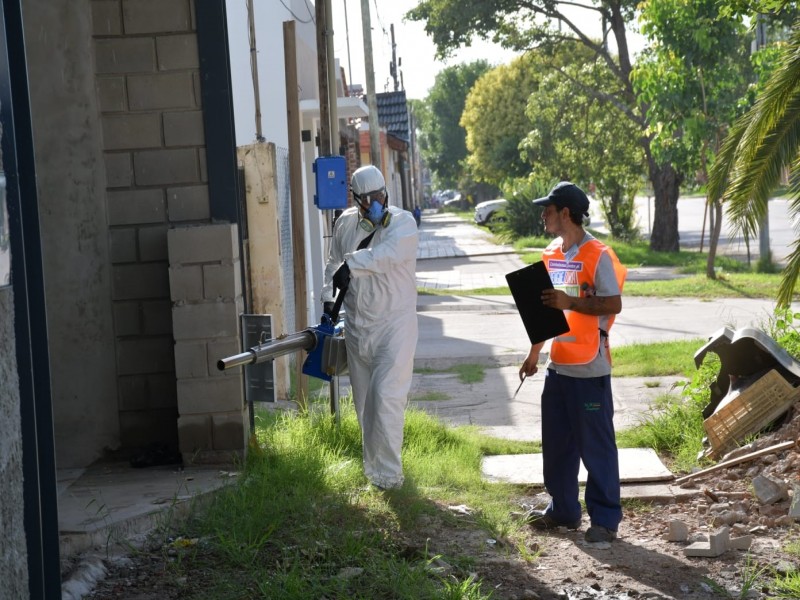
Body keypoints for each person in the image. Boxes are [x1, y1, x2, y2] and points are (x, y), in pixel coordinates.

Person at [519, 181, 627, 543]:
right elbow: (545, 309)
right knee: (558, 446)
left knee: (596, 446)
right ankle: (563, 510)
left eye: (547, 210)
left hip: (590, 367)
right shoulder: (551, 253)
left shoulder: (597, 254)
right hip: (559, 365)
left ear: (566, 213)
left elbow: (612, 304)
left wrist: (571, 303)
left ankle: (606, 519)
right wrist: (534, 353)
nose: (543, 215)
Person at [321, 165, 419, 490]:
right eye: (369, 198)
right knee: (365, 406)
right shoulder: (345, 224)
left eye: (380, 195)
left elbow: (386, 256)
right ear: (356, 199)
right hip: (357, 329)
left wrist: (353, 265)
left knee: (386, 398)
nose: (376, 203)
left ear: (385, 191)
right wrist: (327, 298)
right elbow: (333, 262)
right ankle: (373, 474)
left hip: (395, 327)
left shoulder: (403, 223)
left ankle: (391, 478)